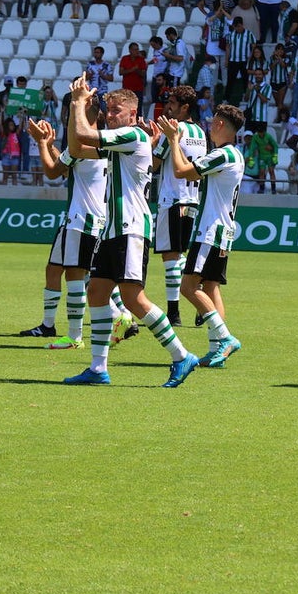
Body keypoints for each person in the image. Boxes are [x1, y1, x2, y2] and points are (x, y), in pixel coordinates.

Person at [63, 77, 199, 387]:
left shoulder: (131, 136)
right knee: (96, 292)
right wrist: (79, 108)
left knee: (134, 299)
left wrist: (77, 104)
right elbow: (75, 146)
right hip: (114, 230)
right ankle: (98, 369)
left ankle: (181, 355)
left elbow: (82, 134)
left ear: (133, 113)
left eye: (116, 110)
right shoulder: (122, 142)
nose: (110, 115)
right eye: (108, 110)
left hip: (131, 228)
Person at [157, 102, 246, 367]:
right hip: (224, 230)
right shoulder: (234, 155)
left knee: (187, 287)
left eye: (212, 123)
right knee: (210, 287)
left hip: (210, 231)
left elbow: (180, 171)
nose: (208, 127)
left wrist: (173, 140)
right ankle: (216, 349)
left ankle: (225, 337)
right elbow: (190, 169)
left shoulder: (221, 154)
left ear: (219, 124)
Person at [20, 104, 110, 348]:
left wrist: (41, 143)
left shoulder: (82, 147)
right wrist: (49, 145)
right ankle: (49, 326)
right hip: (78, 218)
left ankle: (76, 335)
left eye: (73, 116)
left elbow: (52, 171)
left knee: (76, 274)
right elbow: (67, 162)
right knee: (54, 269)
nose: (70, 119)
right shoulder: (99, 146)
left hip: (83, 219)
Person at [150, 86, 207, 326]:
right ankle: (200, 293)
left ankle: (174, 312)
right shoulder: (201, 133)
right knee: (178, 254)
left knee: (171, 256)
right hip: (192, 199)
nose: (168, 107)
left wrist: (152, 139)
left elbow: (153, 163)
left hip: (172, 198)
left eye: (172, 103)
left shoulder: (175, 129)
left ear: (185, 107)